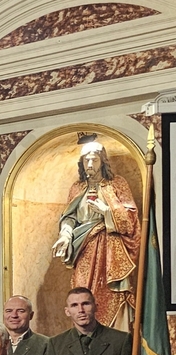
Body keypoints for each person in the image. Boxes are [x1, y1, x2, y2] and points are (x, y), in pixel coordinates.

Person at [51, 139, 141, 331]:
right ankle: (86, 335)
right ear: (81, 164)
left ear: (103, 161)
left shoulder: (116, 183)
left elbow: (130, 218)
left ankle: (117, 334)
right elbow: (69, 216)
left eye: (95, 160)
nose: (90, 165)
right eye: (86, 161)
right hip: (84, 248)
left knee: (112, 290)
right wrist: (66, 235)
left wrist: (107, 210)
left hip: (111, 248)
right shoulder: (77, 188)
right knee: (83, 292)